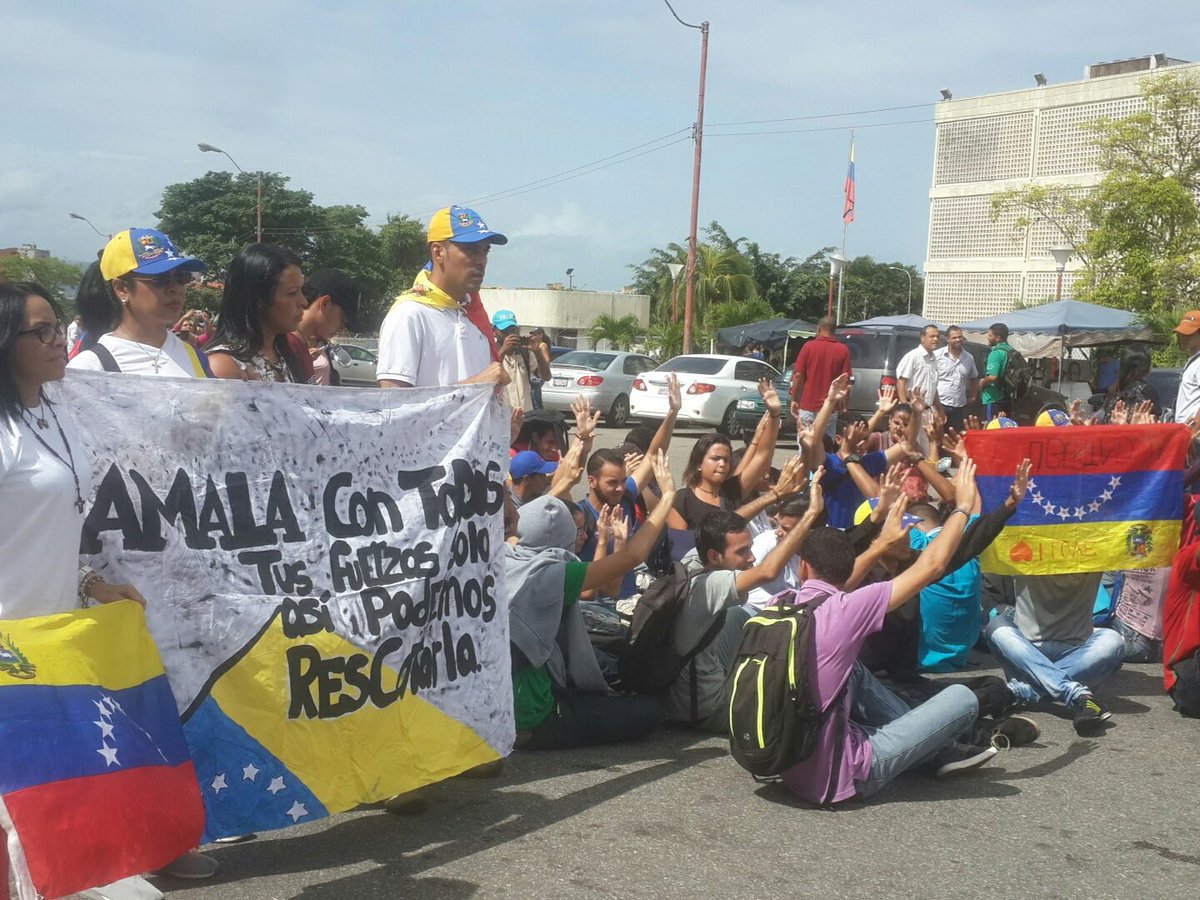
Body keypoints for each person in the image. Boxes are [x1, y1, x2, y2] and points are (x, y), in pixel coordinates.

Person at [1, 284, 218, 882]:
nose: (57, 340)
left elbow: (53, 525)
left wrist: (92, 582)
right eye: (40, 332)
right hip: (10, 643)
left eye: (55, 327)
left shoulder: (53, 410)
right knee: (24, 795)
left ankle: (124, 856)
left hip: (63, 627)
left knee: (76, 768)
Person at [780, 464, 1001, 806]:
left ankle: (939, 750)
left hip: (786, 763)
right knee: (962, 697)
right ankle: (940, 748)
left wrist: (878, 541)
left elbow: (839, 582)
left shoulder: (786, 604)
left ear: (803, 567)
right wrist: (961, 507)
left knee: (854, 670)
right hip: (842, 776)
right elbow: (933, 566)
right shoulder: (850, 607)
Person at [507, 452, 677, 750]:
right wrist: (667, 498)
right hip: (535, 715)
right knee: (650, 712)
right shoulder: (552, 574)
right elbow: (633, 557)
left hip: (500, 705)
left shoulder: (505, 555)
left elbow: (530, 521)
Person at [663, 472, 827, 730]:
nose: (751, 558)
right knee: (807, 712)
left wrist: (775, 495)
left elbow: (725, 526)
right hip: (708, 707)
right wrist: (809, 517)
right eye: (742, 552)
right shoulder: (709, 586)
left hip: (692, 696)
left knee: (748, 617)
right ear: (715, 556)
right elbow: (767, 572)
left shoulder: (695, 558)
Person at [376, 206, 507, 389]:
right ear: (438, 253)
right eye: (471, 250)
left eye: (486, 251)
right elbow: (395, 407)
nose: (481, 260)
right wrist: (476, 385)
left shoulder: (475, 316)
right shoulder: (410, 315)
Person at [984, 572, 1126, 735]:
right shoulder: (1020, 550)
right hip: (1025, 653)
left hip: (1074, 651)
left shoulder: (1094, 552)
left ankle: (1018, 692)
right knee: (996, 627)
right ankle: (1076, 694)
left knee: (1113, 640)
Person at [67, 229, 211, 377]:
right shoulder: (88, 369)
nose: (174, 288)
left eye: (182, 277)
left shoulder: (195, 358)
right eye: (159, 278)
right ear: (122, 288)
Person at [667, 379, 783, 532]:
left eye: (726, 460)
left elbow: (763, 456)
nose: (722, 464)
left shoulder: (732, 492)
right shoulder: (683, 500)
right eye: (715, 459)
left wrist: (775, 415)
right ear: (698, 463)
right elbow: (679, 548)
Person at [206, 244, 307, 382]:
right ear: (259, 298)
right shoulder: (224, 365)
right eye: (292, 293)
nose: (303, 301)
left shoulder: (284, 355)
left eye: (301, 291)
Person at [292, 268, 362, 386]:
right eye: (343, 319)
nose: (342, 329)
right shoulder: (281, 343)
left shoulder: (301, 344)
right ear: (325, 303)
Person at [789, 317, 851, 438]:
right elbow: (846, 381)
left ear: (819, 329)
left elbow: (798, 375)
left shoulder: (808, 347)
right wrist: (844, 405)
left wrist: (794, 398)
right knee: (826, 447)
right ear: (834, 331)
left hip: (808, 406)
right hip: (830, 409)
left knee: (805, 445)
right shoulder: (843, 350)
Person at [934, 325, 978, 431]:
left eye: (960, 337)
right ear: (948, 339)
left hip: (960, 407)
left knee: (956, 437)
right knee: (938, 437)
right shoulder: (936, 356)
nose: (957, 340)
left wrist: (973, 396)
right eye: (954, 338)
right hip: (940, 404)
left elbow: (973, 378)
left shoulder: (969, 358)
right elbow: (930, 379)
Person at [492, 309, 536, 412]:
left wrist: (537, 352)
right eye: (505, 330)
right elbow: (489, 379)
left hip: (525, 416)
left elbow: (546, 377)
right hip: (500, 415)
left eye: (512, 330)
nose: (509, 334)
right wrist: (502, 351)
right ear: (494, 331)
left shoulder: (524, 352)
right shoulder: (489, 351)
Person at [1100, 350, 1160, 423]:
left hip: (1111, 433)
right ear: (1147, 367)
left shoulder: (1114, 390)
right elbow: (1155, 423)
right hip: (1134, 433)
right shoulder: (1146, 390)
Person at [896, 325, 941, 411]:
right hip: (912, 408)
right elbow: (901, 382)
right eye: (932, 336)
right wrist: (905, 408)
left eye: (937, 336)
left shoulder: (934, 359)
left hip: (927, 410)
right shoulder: (913, 356)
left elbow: (933, 388)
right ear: (922, 338)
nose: (936, 339)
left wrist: (940, 409)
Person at [980, 322, 1014, 421]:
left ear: (998, 338)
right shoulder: (1009, 350)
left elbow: (992, 377)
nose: (988, 337)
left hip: (992, 398)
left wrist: (982, 382)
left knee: (990, 429)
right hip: (1005, 396)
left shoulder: (996, 353)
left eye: (990, 335)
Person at [526, 327, 553, 409]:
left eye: (534, 335)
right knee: (534, 395)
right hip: (534, 374)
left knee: (535, 397)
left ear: (540, 335)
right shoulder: (534, 345)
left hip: (537, 375)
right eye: (531, 334)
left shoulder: (542, 346)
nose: (532, 336)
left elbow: (547, 360)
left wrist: (539, 359)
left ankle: (538, 413)